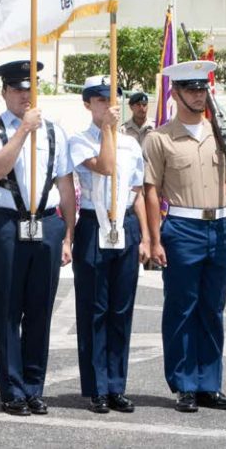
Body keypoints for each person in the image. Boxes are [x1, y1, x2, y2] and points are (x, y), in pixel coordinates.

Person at [143, 60, 226, 413]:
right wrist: (155, 240)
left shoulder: (220, 135)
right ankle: (184, 384)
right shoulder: (160, 138)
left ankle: (209, 383)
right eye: (191, 89)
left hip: (218, 228)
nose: (198, 95)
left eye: (202, 88)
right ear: (175, 93)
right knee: (181, 308)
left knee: (212, 308)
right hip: (182, 229)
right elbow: (150, 190)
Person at [0, 60, 76, 417]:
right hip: (8, 225)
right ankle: (12, 390)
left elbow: (65, 185)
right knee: (8, 310)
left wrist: (68, 235)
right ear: (4, 92)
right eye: (18, 89)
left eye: (30, 88)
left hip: (47, 224)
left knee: (40, 310)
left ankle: (34, 387)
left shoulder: (54, 132)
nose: (25, 95)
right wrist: (23, 130)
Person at [68, 76, 149, 414]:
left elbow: (137, 191)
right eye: (100, 100)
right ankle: (97, 386)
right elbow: (105, 166)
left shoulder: (131, 143)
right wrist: (106, 131)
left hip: (124, 225)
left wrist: (145, 236)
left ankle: (117, 385)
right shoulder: (80, 140)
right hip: (94, 223)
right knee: (94, 309)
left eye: (112, 100)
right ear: (88, 104)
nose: (107, 106)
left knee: (121, 309)